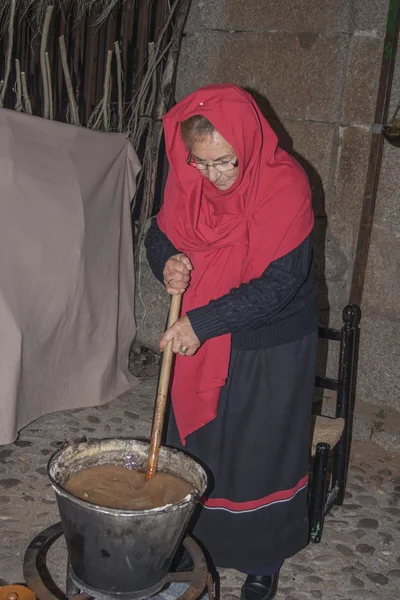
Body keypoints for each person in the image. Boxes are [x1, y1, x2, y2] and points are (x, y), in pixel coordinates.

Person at [145, 83, 318, 600]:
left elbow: (281, 282)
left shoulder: (285, 185)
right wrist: (168, 264)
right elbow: (161, 234)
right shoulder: (189, 178)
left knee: (259, 450)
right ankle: (190, 541)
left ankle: (263, 559)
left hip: (270, 342)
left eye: (226, 162)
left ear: (249, 142)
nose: (213, 175)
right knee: (201, 443)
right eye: (201, 162)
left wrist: (202, 323)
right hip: (205, 333)